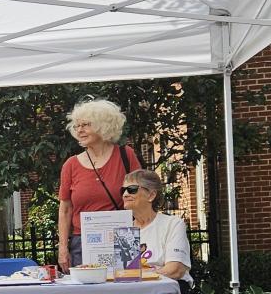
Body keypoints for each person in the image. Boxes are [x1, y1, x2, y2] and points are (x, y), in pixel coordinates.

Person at [58, 99, 141, 272]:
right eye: (77, 126)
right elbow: (65, 209)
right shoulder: (71, 165)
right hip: (82, 242)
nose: (80, 130)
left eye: (86, 125)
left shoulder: (126, 156)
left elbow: (140, 198)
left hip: (123, 237)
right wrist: (63, 248)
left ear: (103, 125)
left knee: (127, 287)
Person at [122, 169, 192, 294]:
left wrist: (138, 278)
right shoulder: (124, 231)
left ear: (151, 195)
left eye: (132, 189)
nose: (125, 194)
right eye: (123, 190)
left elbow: (175, 269)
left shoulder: (172, 224)